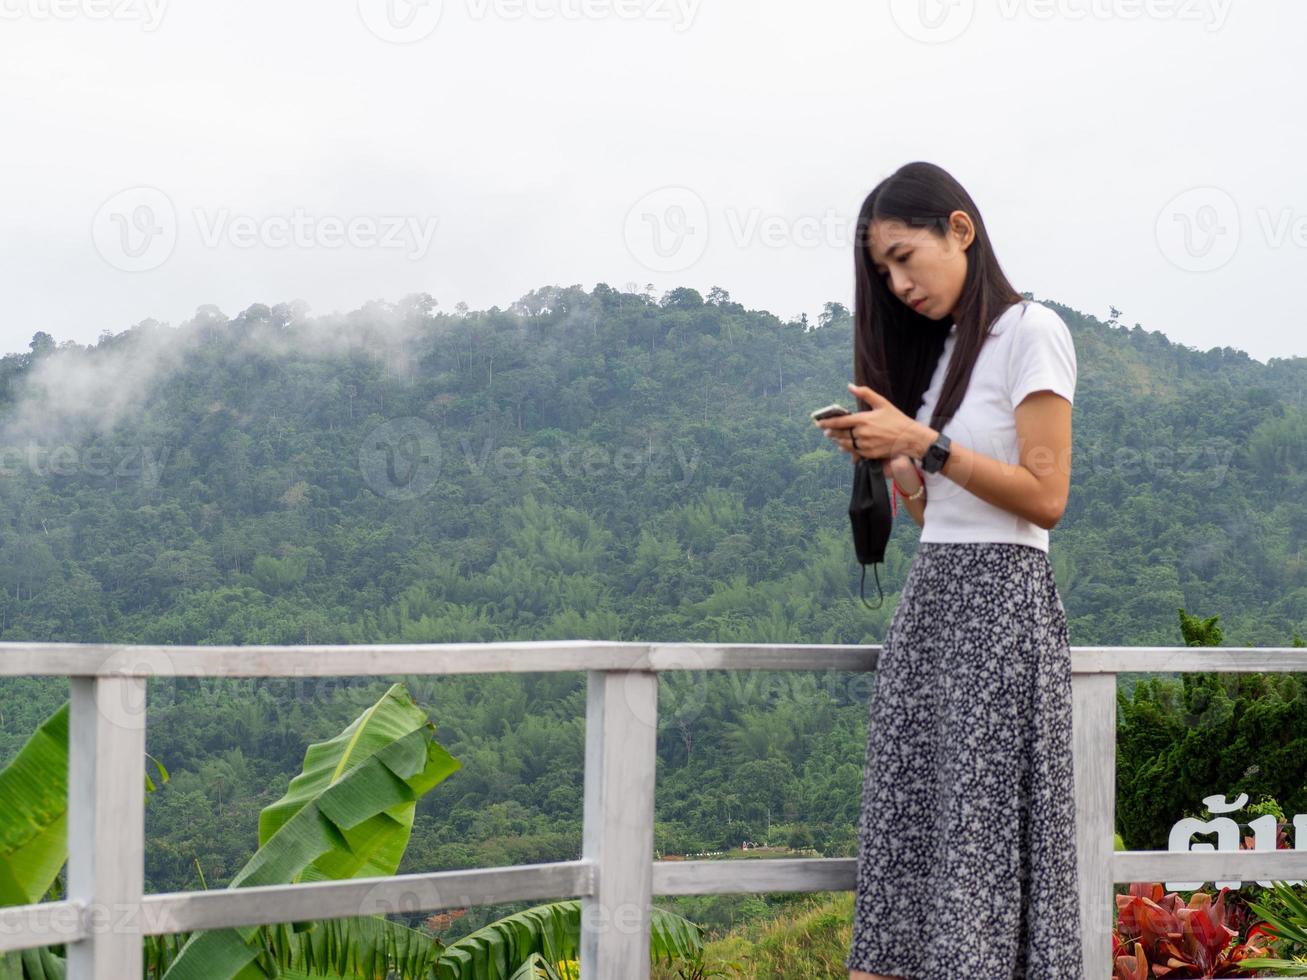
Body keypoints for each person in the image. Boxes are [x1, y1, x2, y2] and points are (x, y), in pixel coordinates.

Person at [814, 160, 1084, 979]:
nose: (896, 283)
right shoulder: (942, 359)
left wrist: (923, 443)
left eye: (904, 257)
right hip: (931, 605)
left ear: (959, 230)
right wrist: (895, 461)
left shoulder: (1032, 331)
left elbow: (1045, 497)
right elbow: (944, 514)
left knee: (974, 851)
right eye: (882, 270)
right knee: (905, 838)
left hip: (1002, 612)